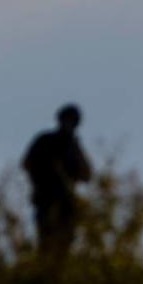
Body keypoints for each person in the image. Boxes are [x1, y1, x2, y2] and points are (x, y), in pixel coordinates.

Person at [22, 104, 92, 258]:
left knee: (64, 244)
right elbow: (27, 164)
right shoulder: (45, 141)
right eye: (68, 121)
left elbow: (87, 175)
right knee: (46, 243)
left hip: (66, 203)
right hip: (46, 200)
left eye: (73, 122)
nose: (70, 125)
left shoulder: (73, 146)